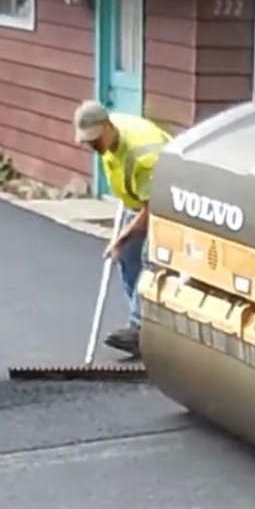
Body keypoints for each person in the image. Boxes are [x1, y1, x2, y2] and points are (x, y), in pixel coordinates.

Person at [73, 100, 172, 357]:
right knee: (129, 256)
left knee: (149, 260)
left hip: (168, 204)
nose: (92, 145)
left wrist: (119, 239)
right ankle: (139, 328)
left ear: (107, 126)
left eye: (95, 139)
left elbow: (154, 208)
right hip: (138, 200)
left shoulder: (144, 151)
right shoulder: (108, 138)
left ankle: (147, 330)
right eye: (87, 140)